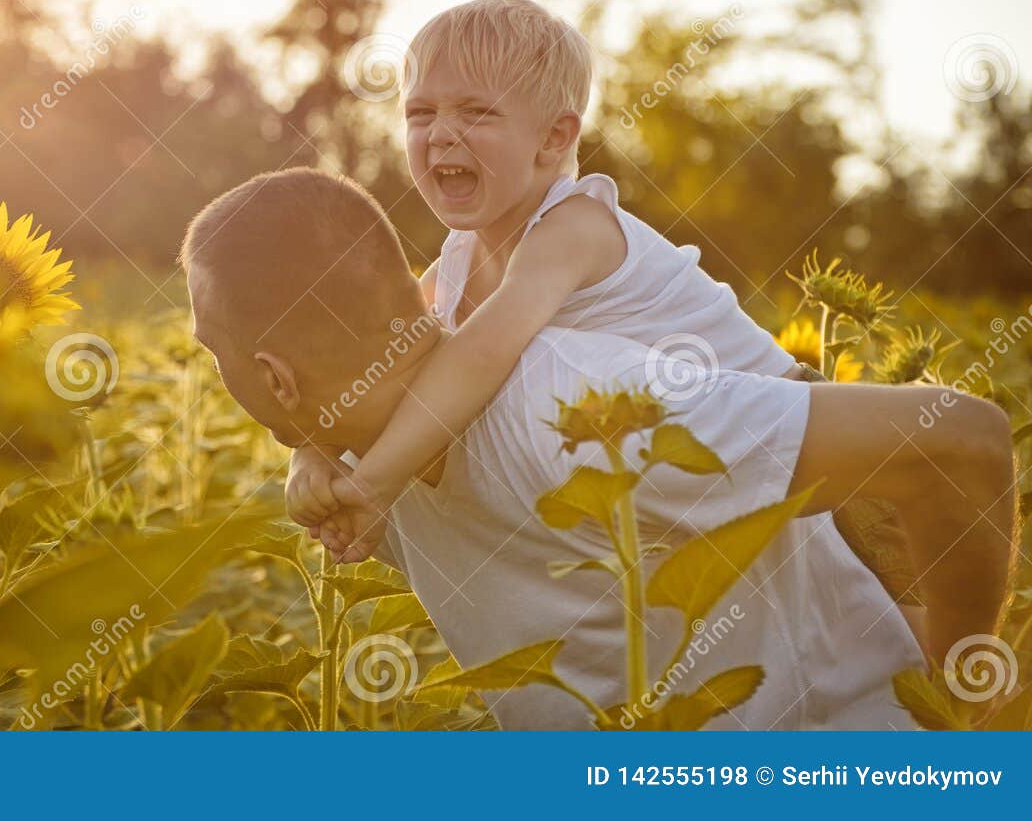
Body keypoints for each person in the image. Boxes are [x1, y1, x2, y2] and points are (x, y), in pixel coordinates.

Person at [182, 168, 1015, 728]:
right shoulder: (368, 469)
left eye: (213, 354)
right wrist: (310, 449)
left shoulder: (579, 413)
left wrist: (956, 705)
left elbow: (960, 441)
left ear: (273, 377)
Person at [286, 0, 921, 630]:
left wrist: (372, 485)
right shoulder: (455, 260)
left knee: (913, 669)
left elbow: (482, 352)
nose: (441, 133)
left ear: (555, 137)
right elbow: (378, 361)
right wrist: (313, 446)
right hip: (707, 476)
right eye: (420, 112)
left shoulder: (574, 225)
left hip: (818, 448)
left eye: (477, 112)